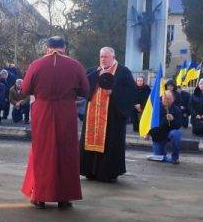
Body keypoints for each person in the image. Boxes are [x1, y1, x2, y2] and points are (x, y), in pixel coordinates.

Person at [21, 36, 89, 209]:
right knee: (66, 151)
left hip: (43, 110)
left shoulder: (36, 64)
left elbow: (25, 89)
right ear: (64, 48)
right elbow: (86, 90)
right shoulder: (75, 65)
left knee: (42, 151)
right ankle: (64, 198)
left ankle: (39, 196)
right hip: (65, 111)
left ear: (47, 48)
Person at [80, 46, 136, 183]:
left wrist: (114, 93)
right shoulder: (94, 71)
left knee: (110, 144)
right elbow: (84, 90)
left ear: (113, 57)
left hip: (112, 117)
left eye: (106, 56)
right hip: (93, 116)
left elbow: (132, 93)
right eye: (101, 56)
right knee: (89, 143)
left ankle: (108, 173)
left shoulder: (123, 72)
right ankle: (90, 171)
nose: (103, 59)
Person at [146, 90, 182, 164]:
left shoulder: (176, 109)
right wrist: (147, 132)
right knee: (159, 158)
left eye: (168, 99)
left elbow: (179, 125)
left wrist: (173, 120)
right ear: (161, 98)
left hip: (169, 133)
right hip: (158, 136)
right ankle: (164, 156)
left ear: (173, 100)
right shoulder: (155, 108)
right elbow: (148, 120)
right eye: (164, 98)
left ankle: (175, 158)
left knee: (176, 134)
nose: (166, 100)